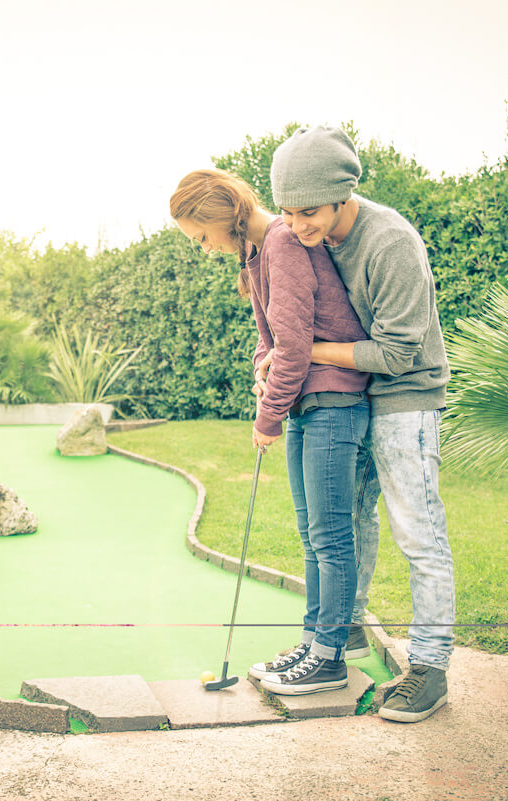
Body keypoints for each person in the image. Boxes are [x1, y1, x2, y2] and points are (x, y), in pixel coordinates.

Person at [259, 125, 456, 722]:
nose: (297, 226)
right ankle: (339, 636)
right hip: (357, 394)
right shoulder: (310, 237)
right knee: (351, 522)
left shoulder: (391, 241)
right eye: (288, 212)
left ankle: (429, 665)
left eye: (309, 211)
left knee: (417, 530)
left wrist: (309, 351)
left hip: (407, 397)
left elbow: (399, 353)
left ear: (344, 194)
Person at [170, 169, 370, 695]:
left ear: (219, 216)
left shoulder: (282, 242)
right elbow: (272, 338)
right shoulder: (257, 252)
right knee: (312, 535)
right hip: (310, 399)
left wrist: (268, 420)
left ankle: (330, 655)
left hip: (333, 397)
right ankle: (314, 641)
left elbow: (298, 344)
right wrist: (263, 367)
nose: (206, 247)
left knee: (330, 535)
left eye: (202, 236)